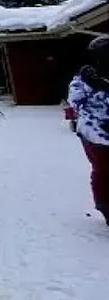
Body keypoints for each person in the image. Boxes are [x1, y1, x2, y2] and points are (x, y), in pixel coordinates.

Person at [67, 36, 109, 227]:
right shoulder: (83, 79)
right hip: (95, 135)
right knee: (104, 171)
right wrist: (93, 84)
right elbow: (75, 103)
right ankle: (105, 206)